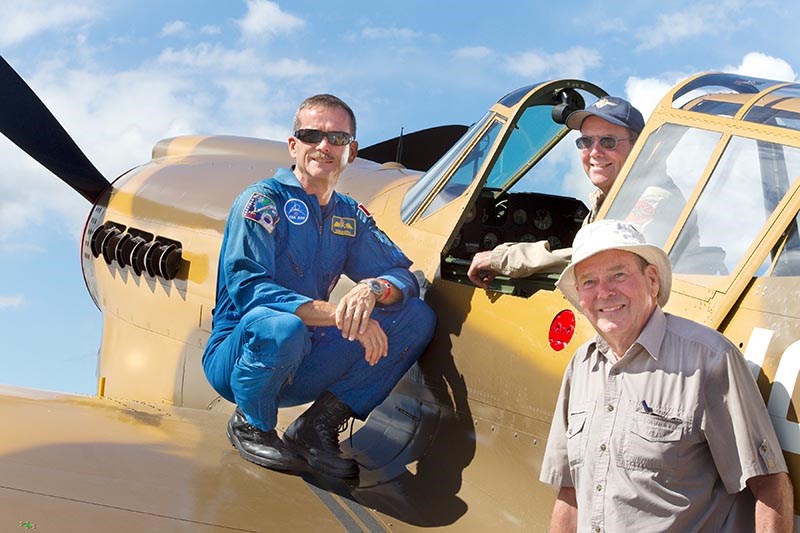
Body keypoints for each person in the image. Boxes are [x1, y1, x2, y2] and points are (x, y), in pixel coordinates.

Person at [202, 94, 436, 479]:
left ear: (352, 151)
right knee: (282, 325)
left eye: (337, 138)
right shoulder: (261, 202)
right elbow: (250, 291)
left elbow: (401, 275)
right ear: (294, 145)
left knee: (416, 316)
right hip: (241, 356)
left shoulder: (349, 215)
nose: (324, 146)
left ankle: (316, 428)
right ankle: (251, 421)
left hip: (307, 356)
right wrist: (342, 315)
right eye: (312, 135)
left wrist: (373, 289)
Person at [539, 219, 793, 531]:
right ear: (580, 296)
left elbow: (770, 486)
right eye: (589, 282)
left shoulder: (710, 359)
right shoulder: (581, 365)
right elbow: (570, 493)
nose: (604, 292)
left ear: (652, 281)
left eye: (618, 274)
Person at [467, 96, 644, 288]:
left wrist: (506, 258)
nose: (594, 152)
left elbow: (596, 260)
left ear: (639, 147)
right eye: (586, 142)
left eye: (608, 142)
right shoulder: (608, 200)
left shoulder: (648, 200)